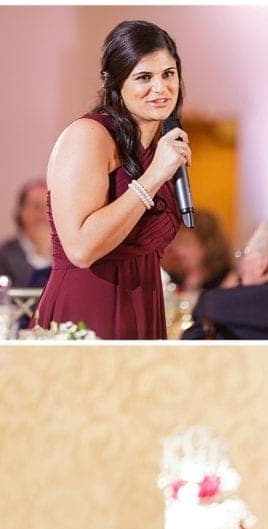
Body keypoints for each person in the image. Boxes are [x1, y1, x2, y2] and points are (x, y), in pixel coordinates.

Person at [32, 20, 190, 339]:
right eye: (144, 77)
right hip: (87, 309)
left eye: (168, 74)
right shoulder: (89, 136)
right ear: (116, 84)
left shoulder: (164, 145)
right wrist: (154, 176)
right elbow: (80, 248)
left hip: (143, 307)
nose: (161, 88)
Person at [0, 179, 53, 288]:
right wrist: (41, 255)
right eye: (37, 207)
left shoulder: (71, 256)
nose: (44, 215)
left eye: (50, 208)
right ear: (21, 213)